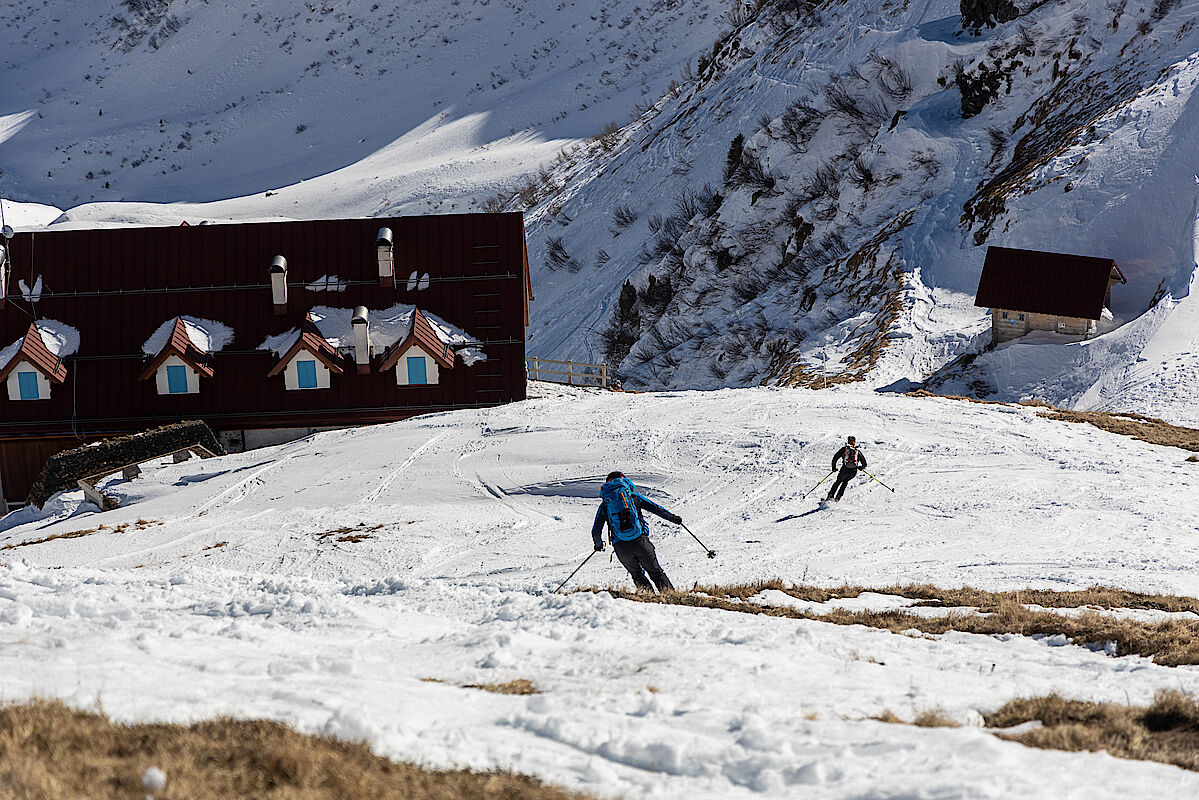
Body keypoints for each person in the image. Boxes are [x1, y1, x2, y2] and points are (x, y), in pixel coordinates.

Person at [592, 471, 680, 593]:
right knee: (656, 573)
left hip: (621, 547)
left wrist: (598, 545)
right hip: (640, 541)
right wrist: (673, 518)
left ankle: (649, 602)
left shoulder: (605, 504)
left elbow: (596, 530)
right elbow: (656, 509)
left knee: (637, 575)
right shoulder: (633, 497)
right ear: (624, 480)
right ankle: (671, 599)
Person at [826, 436, 867, 502]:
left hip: (844, 470)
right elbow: (864, 463)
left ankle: (830, 496)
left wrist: (834, 468)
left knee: (838, 482)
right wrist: (860, 467)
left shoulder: (844, 449)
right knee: (845, 482)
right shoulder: (857, 451)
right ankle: (838, 498)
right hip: (853, 472)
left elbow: (835, 458)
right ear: (854, 442)